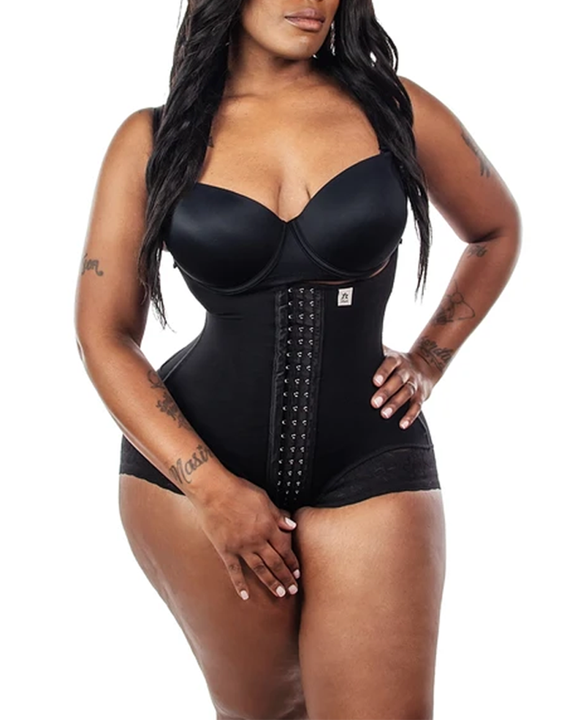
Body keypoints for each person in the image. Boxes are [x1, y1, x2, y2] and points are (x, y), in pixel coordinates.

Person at [74, 1, 521, 718]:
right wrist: (211, 490)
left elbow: (495, 230)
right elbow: (103, 334)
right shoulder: (154, 137)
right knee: (270, 712)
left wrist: (430, 358)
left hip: (369, 454)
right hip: (190, 472)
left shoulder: (393, 109)